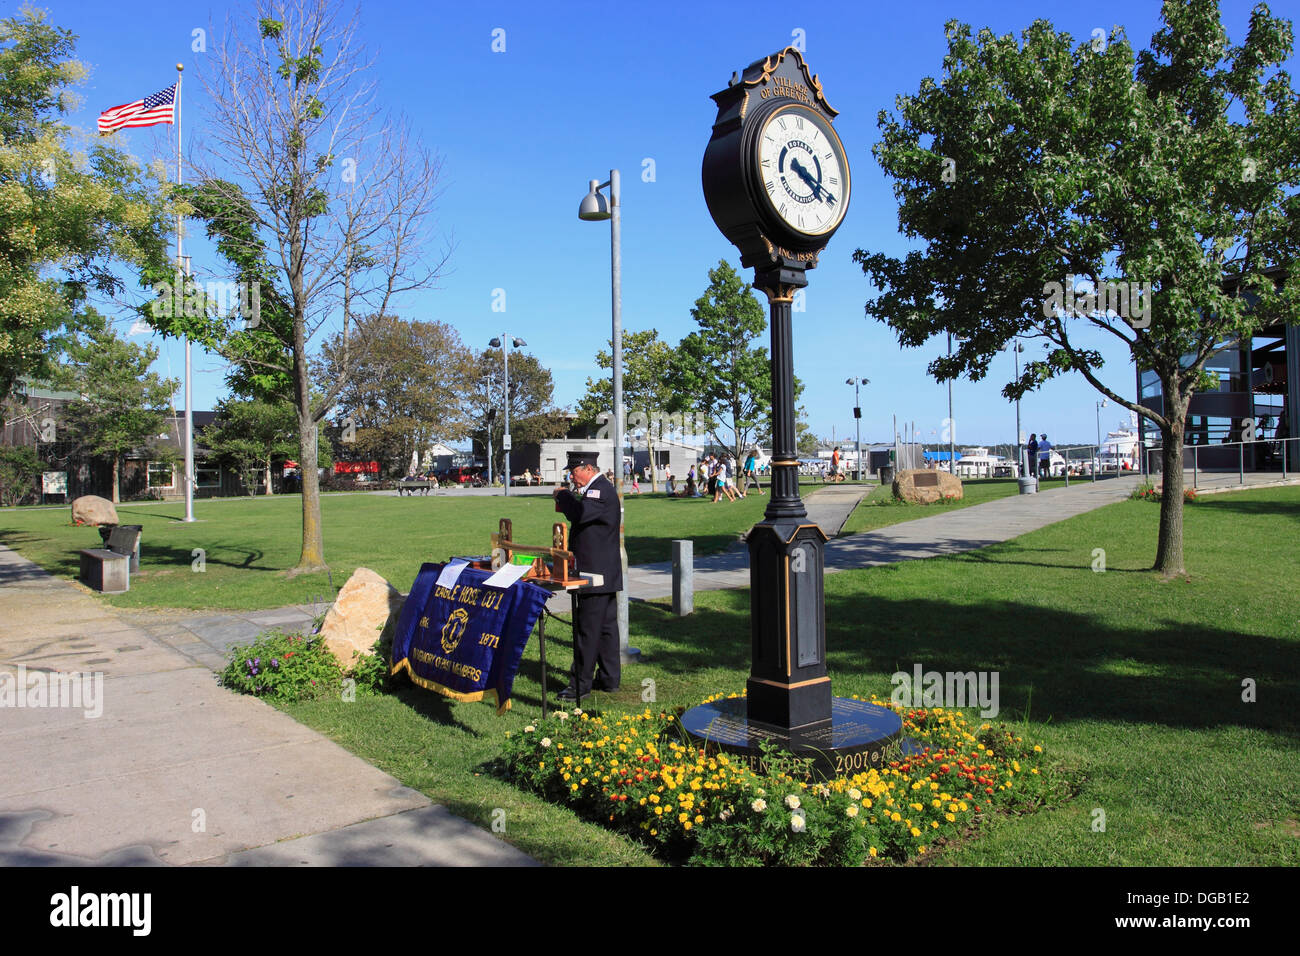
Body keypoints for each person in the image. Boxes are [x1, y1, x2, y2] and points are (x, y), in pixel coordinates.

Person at [553, 451, 622, 699]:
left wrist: (563, 495)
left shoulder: (599, 490)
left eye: (574, 472)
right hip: (601, 571)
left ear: (588, 468)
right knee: (605, 629)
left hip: (596, 572)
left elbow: (580, 514)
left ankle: (579, 685)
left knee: (587, 630)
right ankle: (609, 678)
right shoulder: (597, 489)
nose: (572, 478)